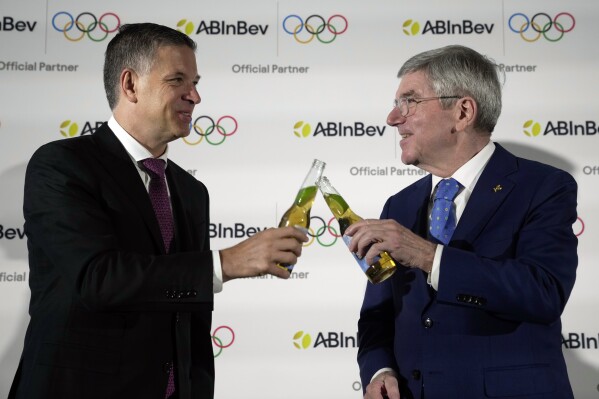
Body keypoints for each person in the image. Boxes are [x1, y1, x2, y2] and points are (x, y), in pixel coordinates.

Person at [8, 23, 307, 399]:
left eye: (196, 82)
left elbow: (189, 318)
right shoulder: (61, 165)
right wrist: (225, 263)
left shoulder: (191, 191)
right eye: (178, 80)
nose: (195, 96)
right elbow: (97, 279)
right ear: (130, 84)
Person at [345, 45, 577, 399]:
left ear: (463, 112)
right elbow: (377, 315)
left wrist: (426, 255)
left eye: (409, 101)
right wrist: (379, 369)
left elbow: (543, 292)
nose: (393, 118)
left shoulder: (543, 187)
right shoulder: (399, 204)